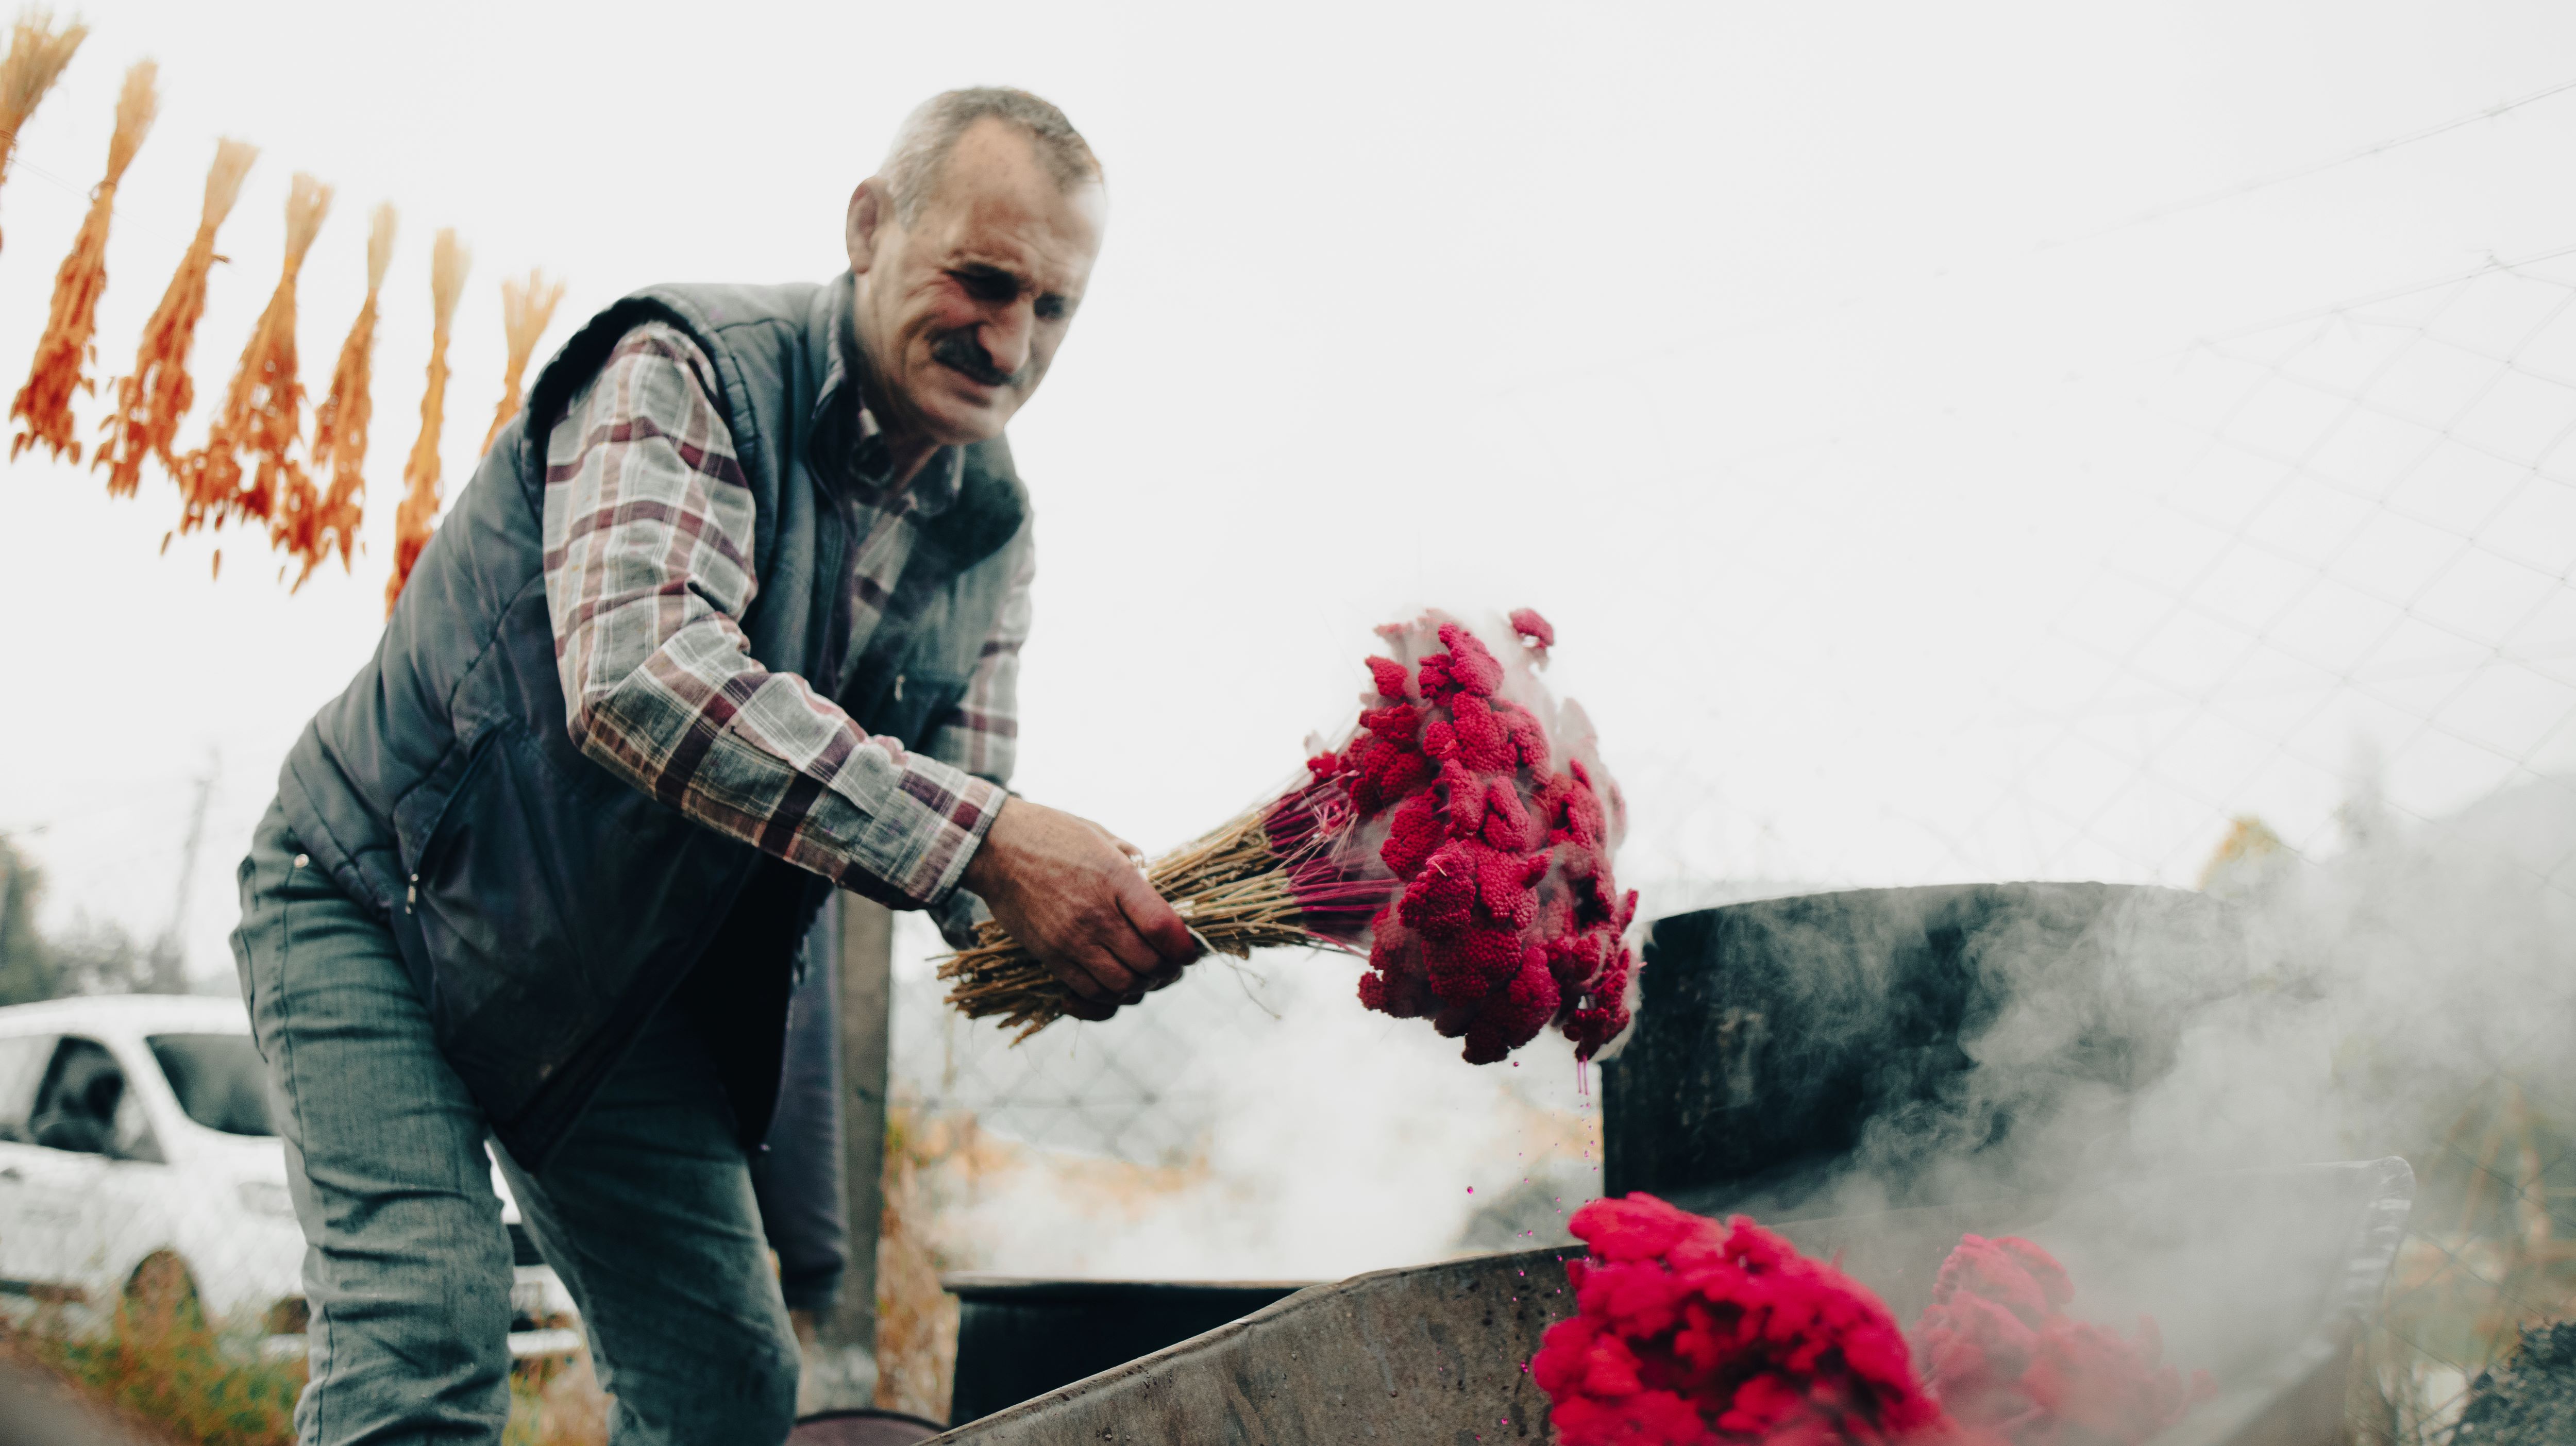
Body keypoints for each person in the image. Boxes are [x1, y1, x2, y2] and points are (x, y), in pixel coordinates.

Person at [229, 88, 1195, 1446]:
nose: (1010, 339)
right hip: (379, 899)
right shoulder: (687, 365)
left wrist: (1123, 918)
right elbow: (637, 680)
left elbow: (967, 826)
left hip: (608, 984)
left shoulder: (989, 528)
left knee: (728, 1385)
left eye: (1053, 309)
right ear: (870, 226)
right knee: (429, 1339)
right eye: (983, 281)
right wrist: (988, 842)